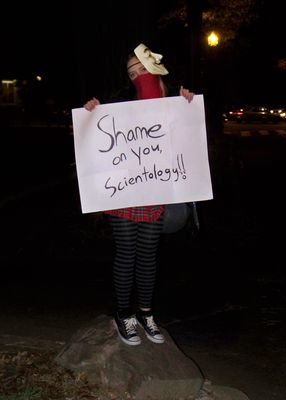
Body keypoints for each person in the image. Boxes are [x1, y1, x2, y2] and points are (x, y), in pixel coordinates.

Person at [84, 43, 194, 346]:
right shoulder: (120, 102)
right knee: (126, 253)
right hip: (123, 190)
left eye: (142, 69)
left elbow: (190, 141)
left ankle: (145, 314)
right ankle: (124, 314)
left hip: (154, 188)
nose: (137, 77)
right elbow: (101, 137)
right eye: (132, 73)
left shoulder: (174, 102)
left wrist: (188, 107)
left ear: (155, 67)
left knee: (147, 255)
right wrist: (91, 113)